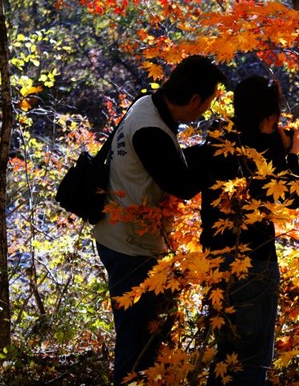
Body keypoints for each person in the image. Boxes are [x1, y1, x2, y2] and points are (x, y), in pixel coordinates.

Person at [93, 55, 227, 385]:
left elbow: (172, 162)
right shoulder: (151, 129)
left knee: (147, 340)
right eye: (207, 103)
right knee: (136, 346)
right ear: (195, 99)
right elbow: (181, 183)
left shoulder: (147, 106)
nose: (204, 111)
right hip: (130, 247)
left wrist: (207, 150)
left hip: (125, 239)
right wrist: (216, 153)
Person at [196, 75, 299, 385]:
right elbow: (293, 197)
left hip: (214, 259)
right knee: (253, 361)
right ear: (270, 116)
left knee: (225, 356)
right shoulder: (266, 150)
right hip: (255, 261)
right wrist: (291, 154)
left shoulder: (217, 141)